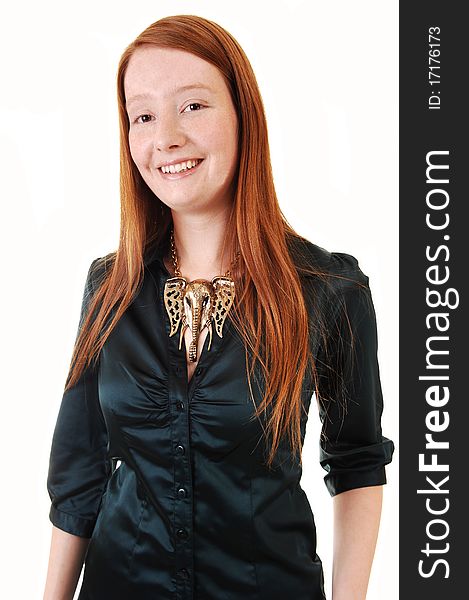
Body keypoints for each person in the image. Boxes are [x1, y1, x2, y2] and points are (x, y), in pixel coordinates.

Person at [43, 14, 395, 600]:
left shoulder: (330, 290)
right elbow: (78, 479)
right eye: (143, 116)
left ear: (243, 114)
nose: (166, 139)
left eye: (193, 106)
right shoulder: (109, 286)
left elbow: (357, 462)